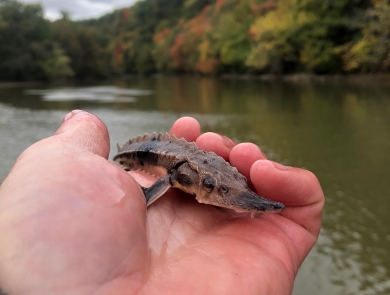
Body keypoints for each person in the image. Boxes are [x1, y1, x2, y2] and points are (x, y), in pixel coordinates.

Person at [0, 110, 324, 295]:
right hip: (138, 157)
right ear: (177, 177)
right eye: (212, 187)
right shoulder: (171, 175)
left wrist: (246, 197)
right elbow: (163, 178)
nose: (221, 193)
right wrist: (138, 199)